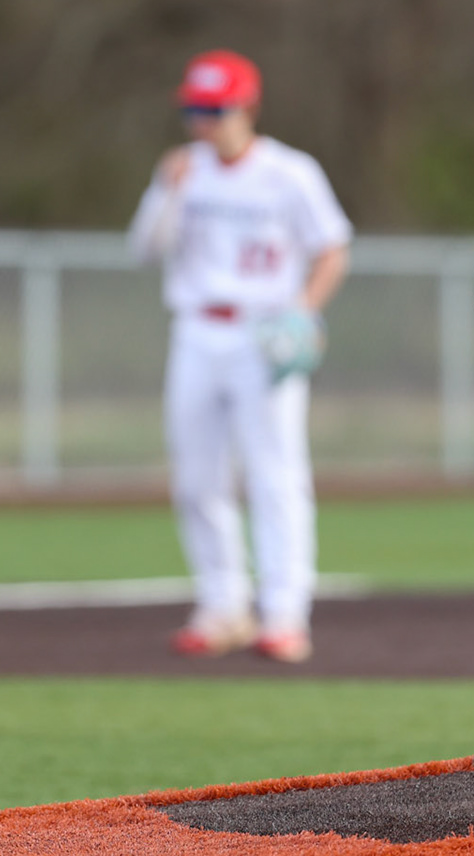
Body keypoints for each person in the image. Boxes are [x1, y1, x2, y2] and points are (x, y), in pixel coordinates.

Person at [129, 50, 352, 663]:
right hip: (198, 330)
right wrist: (164, 191)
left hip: (263, 333)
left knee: (274, 474)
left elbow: (332, 248)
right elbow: (144, 248)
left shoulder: (289, 172)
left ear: (246, 107)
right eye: (193, 110)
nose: (203, 122)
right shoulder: (182, 171)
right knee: (198, 476)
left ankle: (284, 615)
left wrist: (303, 311)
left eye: (214, 109)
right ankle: (222, 606)